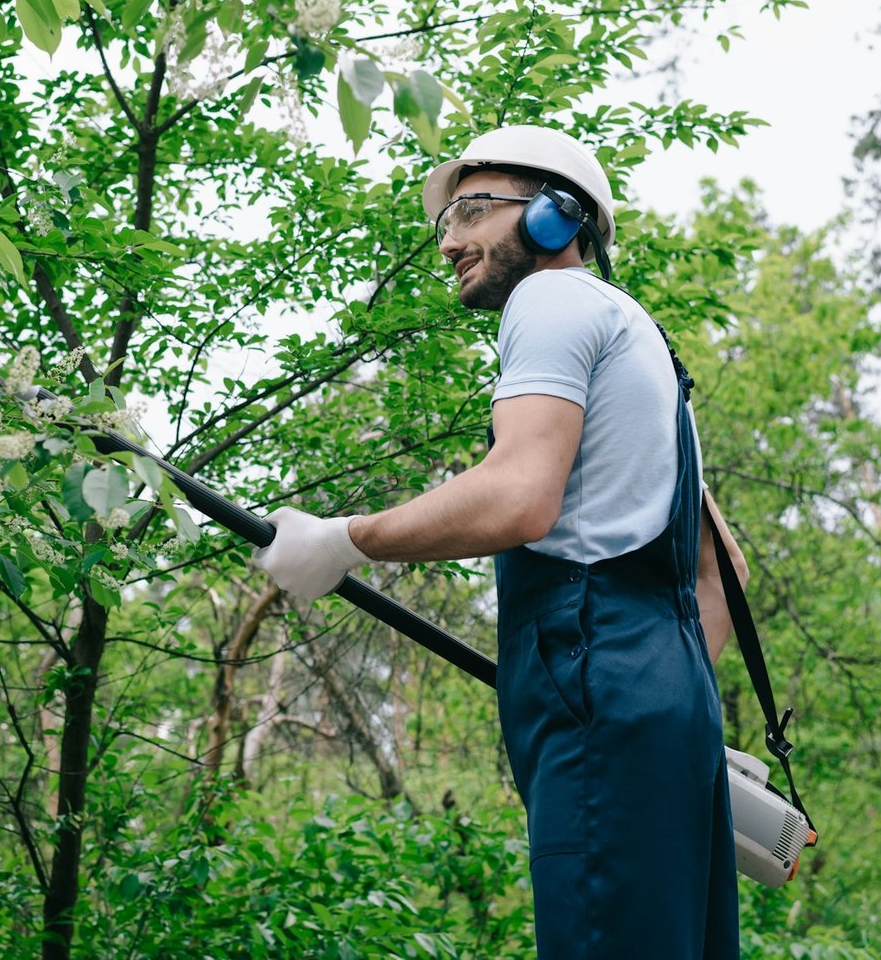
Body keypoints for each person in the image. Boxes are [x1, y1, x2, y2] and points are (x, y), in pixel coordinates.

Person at [251, 125, 750, 959]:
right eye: (445, 219)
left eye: (472, 211)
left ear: (559, 217)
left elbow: (521, 496)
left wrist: (347, 540)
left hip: (604, 694)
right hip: (664, 705)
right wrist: (666, 712)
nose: (448, 240)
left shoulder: (551, 300)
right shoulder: (648, 352)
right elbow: (722, 571)